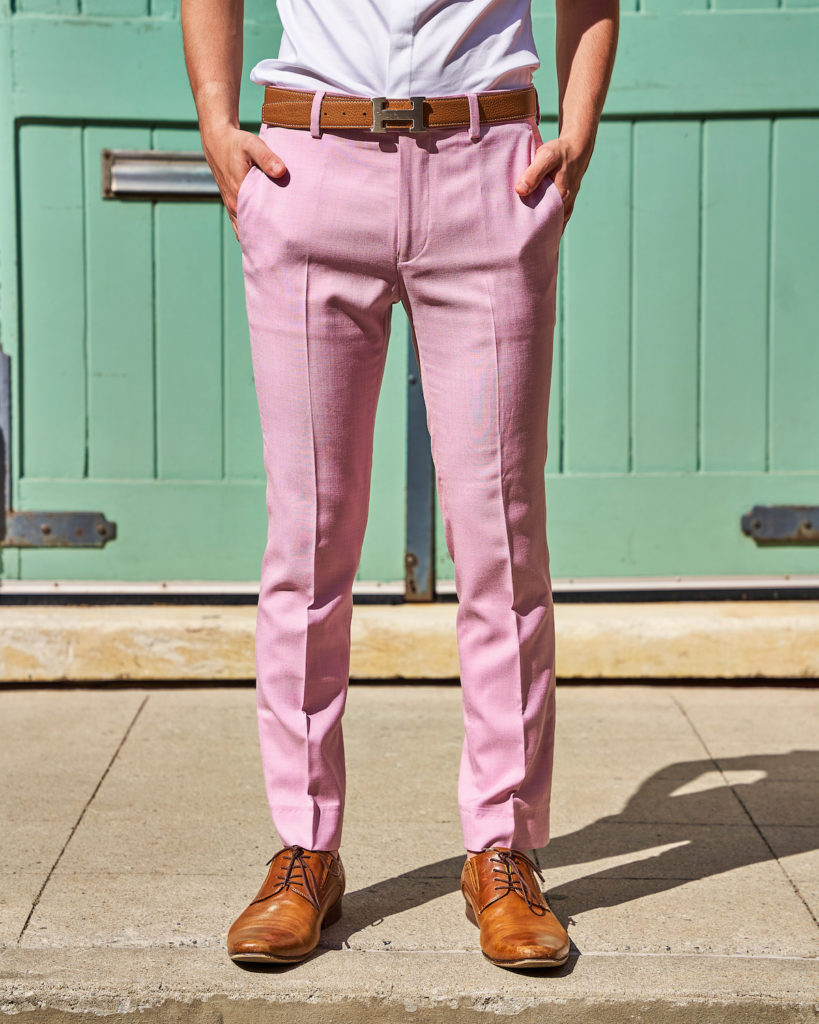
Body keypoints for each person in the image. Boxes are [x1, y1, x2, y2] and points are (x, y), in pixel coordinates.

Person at [181, 0, 618, 970]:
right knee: (308, 537)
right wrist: (217, 122)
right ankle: (305, 847)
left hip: (486, 168)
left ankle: (503, 849)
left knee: (502, 542)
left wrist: (578, 132)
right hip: (312, 162)